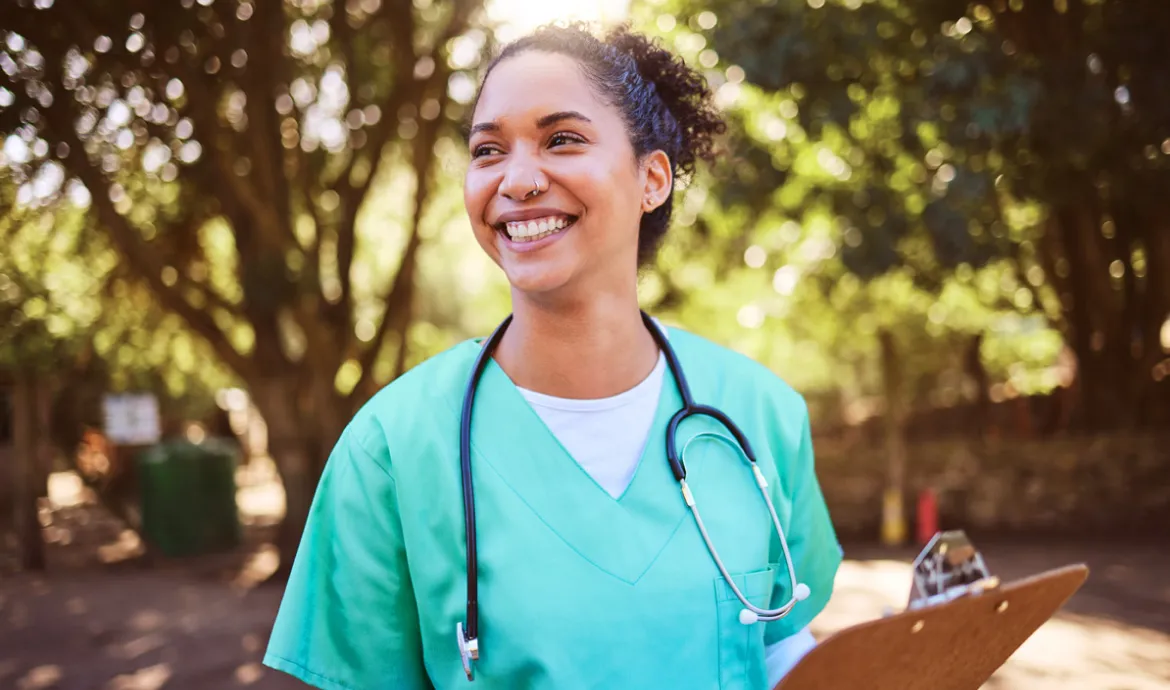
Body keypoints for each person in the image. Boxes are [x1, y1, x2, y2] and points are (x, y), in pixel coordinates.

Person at [263, 22, 842, 690]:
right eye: (487, 151)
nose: (518, 179)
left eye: (561, 139)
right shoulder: (391, 448)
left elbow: (775, 649)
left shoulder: (759, 415)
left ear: (652, 178)